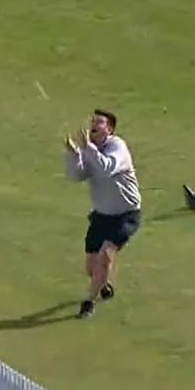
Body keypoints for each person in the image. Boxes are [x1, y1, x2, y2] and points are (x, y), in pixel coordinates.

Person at [64, 110, 141, 319]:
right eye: (92, 122)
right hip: (101, 216)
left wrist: (87, 148)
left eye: (100, 122)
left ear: (110, 129)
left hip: (126, 214)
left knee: (105, 256)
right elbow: (76, 175)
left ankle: (88, 302)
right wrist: (73, 154)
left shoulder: (118, 148)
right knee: (92, 268)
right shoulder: (91, 150)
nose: (94, 125)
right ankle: (103, 284)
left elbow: (107, 167)